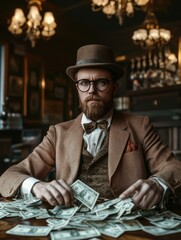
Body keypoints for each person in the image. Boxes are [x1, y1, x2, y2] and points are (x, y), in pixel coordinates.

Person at [0, 44, 181, 210]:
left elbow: (174, 167)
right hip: (70, 226)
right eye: (84, 83)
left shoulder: (140, 126)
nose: (92, 90)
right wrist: (37, 186)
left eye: (101, 82)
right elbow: (8, 177)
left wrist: (158, 183)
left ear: (115, 88)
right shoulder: (58, 133)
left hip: (127, 224)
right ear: (77, 88)